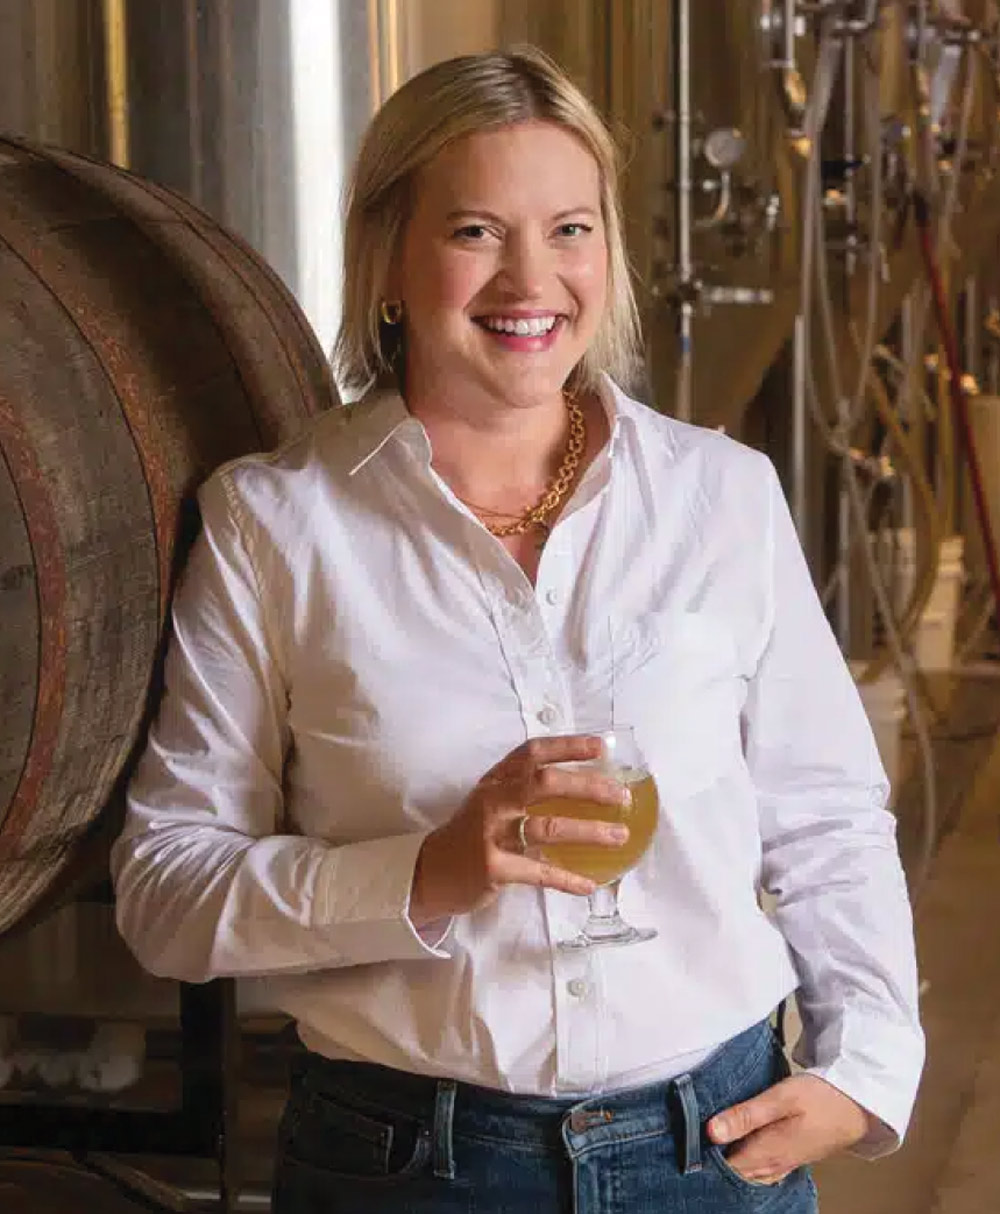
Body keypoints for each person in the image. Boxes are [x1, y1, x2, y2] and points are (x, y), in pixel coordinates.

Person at [111, 46, 924, 1214]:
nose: (530, 278)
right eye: (476, 231)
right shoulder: (274, 523)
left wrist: (866, 1066)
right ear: (389, 257)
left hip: (712, 1144)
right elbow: (166, 890)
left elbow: (825, 814)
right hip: (406, 1163)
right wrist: (423, 873)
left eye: (571, 229)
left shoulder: (718, 495)